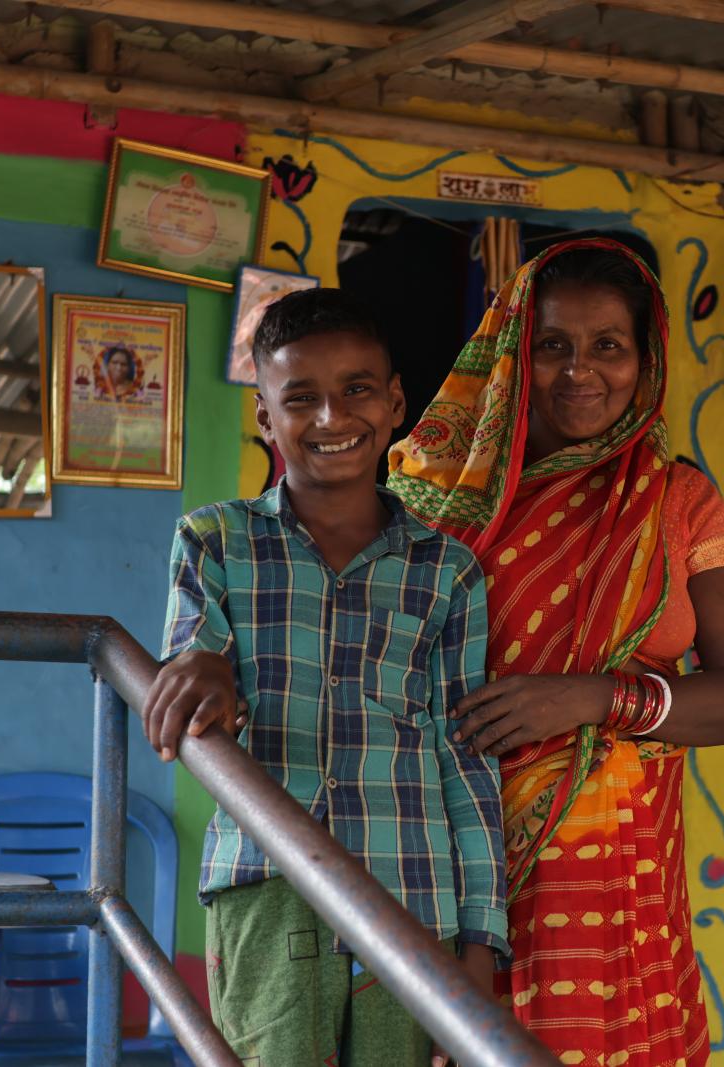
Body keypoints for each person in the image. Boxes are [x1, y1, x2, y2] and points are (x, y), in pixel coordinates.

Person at [390, 239, 724, 1067]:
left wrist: (594, 697)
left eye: (609, 346)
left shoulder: (678, 501)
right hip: (457, 864)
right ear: (512, 356)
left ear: (646, 360)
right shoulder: (444, 505)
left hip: (622, 886)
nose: (581, 371)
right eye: (553, 345)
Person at [144, 287, 507, 1067]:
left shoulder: (449, 573)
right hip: (270, 888)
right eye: (299, 398)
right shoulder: (214, 541)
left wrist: (482, 936)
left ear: (397, 401)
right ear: (264, 419)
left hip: (413, 897)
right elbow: (189, 672)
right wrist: (202, 673)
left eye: (357, 390)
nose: (331, 418)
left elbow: (467, 759)